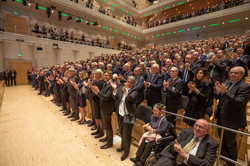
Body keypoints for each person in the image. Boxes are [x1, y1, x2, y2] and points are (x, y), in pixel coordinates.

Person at [215, 66, 250, 166]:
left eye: (236, 73)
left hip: (231, 119)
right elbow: (220, 97)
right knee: (222, 139)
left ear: (242, 75)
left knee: (230, 143)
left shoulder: (244, 87)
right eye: (231, 72)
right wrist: (218, 93)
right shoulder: (226, 83)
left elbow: (240, 102)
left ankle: (230, 163)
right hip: (221, 116)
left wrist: (226, 93)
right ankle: (223, 157)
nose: (233, 74)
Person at [153, 119, 218, 166]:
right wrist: (175, 148)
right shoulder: (186, 131)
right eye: (196, 125)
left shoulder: (211, 143)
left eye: (201, 127)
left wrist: (186, 156)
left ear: (207, 131)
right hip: (173, 158)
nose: (197, 128)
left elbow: (207, 163)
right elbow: (173, 143)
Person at [111, 76, 138, 161]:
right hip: (120, 114)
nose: (128, 83)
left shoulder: (135, 90)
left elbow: (131, 99)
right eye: (128, 81)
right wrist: (115, 89)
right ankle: (123, 147)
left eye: (130, 82)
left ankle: (126, 152)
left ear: (133, 83)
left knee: (127, 135)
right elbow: (116, 97)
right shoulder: (123, 89)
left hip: (128, 116)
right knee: (122, 132)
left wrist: (126, 92)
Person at [91, 70, 115, 149]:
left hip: (107, 108)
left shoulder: (112, 85)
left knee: (108, 126)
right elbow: (101, 96)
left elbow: (106, 97)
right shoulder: (105, 83)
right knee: (106, 125)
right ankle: (107, 137)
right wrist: (96, 92)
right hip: (103, 107)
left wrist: (97, 91)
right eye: (104, 75)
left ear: (110, 76)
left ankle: (110, 142)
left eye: (107, 75)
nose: (105, 77)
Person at [83, 69, 105, 138]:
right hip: (94, 101)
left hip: (99, 102)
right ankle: (98, 129)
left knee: (99, 117)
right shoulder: (95, 81)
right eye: (94, 73)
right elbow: (91, 91)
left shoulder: (101, 83)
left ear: (100, 75)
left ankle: (101, 131)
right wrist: (90, 86)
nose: (94, 75)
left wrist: (90, 86)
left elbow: (98, 93)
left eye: (96, 74)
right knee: (96, 116)